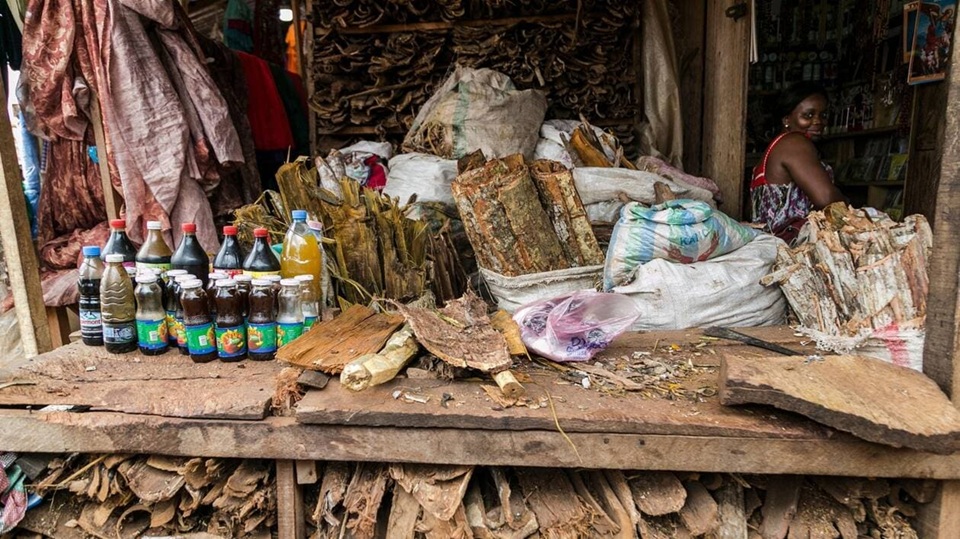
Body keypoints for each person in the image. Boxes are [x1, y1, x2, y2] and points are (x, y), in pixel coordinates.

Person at [750, 82, 846, 242]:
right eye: (808, 115)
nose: (818, 121)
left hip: (772, 241)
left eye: (823, 115)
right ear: (787, 119)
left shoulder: (777, 146)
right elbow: (826, 199)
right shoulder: (794, 142)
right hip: (792, 245)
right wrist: (851, 208)